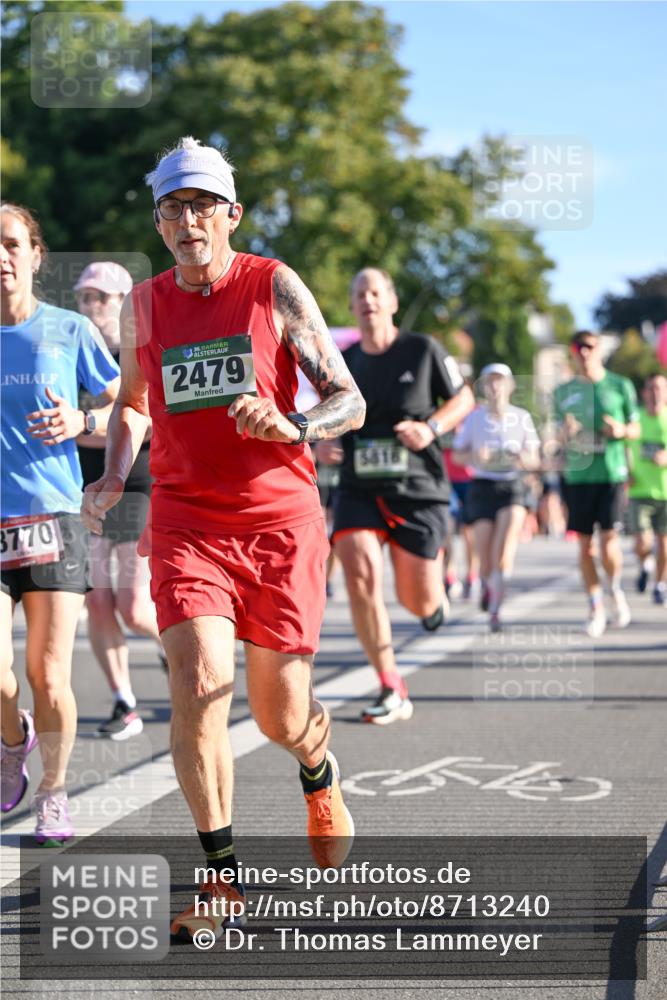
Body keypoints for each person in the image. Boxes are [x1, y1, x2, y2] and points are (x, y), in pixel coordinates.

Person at [80, 137, 365, 940]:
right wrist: (111, 472)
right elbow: (134, 405)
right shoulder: (144, 304)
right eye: (172, 207)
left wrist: (292, 421)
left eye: (202, 204)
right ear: (160, 222)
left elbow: (349, 401)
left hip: (279, 524)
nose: (186, 220)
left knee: (277, 715)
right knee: (200, 680)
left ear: (230, 214)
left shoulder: (271, 285)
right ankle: (220, 879)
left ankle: (316, 767)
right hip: (185, 522)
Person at [0, 203, 120, 842]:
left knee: (49, 674)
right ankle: (12, 738)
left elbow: (131, 407)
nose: (1, 256)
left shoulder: (69, 330)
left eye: (11, 243)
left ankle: (53, 791)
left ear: (34, 254)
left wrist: (83, 424)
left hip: (52, 517)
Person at [320, 268, 474, 725]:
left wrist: (430, 428)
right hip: (359, 487)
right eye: (358, 293)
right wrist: (321, 441)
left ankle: (436, 597)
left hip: (418, 489)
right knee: (359, 570)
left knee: (416, 601)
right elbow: (328, 415)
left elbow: (464, 399)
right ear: (351, 306)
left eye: (374, 291)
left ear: (391, 301)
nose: (366, 299)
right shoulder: (343, 362)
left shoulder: (422, 349)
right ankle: (390, 684)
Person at [75, 262, 162, 739]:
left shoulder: (139, 349)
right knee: (99, 603)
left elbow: (136, 421)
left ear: (125, 303)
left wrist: (82, 424)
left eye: (102, 298)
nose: (93, 306)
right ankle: (124, 702)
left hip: (135, 482)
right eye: (86, 297)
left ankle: (178, 647)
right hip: (84, 487)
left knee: (132, 605)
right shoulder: (69, 350)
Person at [553, 330, 640, 637]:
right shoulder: (563, 391)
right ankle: (595, 605)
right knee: (585, 544)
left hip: (611, 473)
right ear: (572, 352)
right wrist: (565, 432)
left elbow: (636, 427)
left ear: (599, 349)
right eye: (578, 347)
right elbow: (556, 437)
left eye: (589, 347)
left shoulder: (619, 385)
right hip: (578, 476)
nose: (584, 352)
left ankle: (614, 588)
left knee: (608, 541)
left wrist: (620, 429)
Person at [452, 364, 541, 632]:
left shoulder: (522, 417)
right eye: (490, 381)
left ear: (510, 386)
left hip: (512, 486)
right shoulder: (474, 418)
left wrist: (521, 457)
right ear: (484, 387)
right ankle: (489, 588)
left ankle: (495, 610)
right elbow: (457, 455)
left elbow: (535, 459)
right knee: (485, 555)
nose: (495, 386)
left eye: (500, 381)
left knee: (504, 550)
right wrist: (477, 456)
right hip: (482, 486)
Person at [628, 373, 667, 604]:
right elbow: (623, 447)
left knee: (664, 544)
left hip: (665, 491)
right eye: (651, 388)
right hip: (639, 490)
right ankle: (645, 564)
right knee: (642, 543)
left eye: (661, 388)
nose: (656, 393)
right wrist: (627, 472)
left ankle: (660, 584)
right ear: (644, 392)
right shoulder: (636, 420)